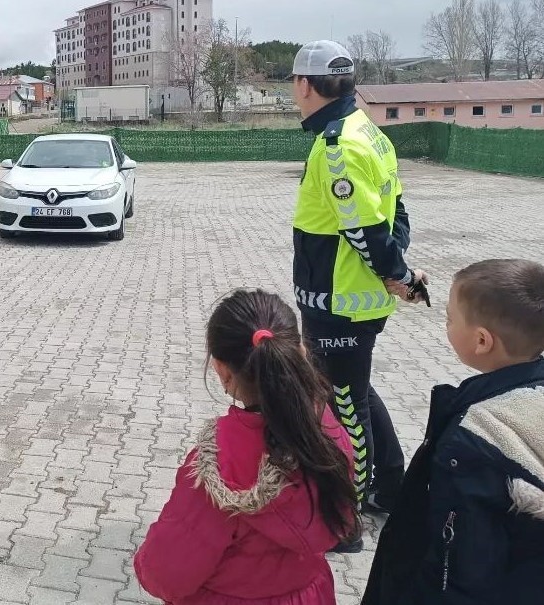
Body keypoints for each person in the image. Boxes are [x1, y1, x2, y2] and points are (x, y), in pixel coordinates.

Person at [134, 289, 358, 605]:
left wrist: (144, 562)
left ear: (223, 372)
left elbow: (167, 573)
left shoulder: (217, 466)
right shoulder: (327, 435)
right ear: (301, 353)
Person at [289, 40, 429, 548]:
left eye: (293, 84)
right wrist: (399, 273)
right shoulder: (369, 132)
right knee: (358, 395)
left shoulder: (338, 146)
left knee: (344, 407)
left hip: (339, 304)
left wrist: (399, 273)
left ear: (305, 85)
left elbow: (368, 232)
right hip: (355, 301)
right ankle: (390, 488)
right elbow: (400, 214)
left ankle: (345, 519)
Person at [363, 259, 544, 605]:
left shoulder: (474, 441)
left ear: (481, 340)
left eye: (449, 318)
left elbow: (457, 567)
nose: (445, 324)